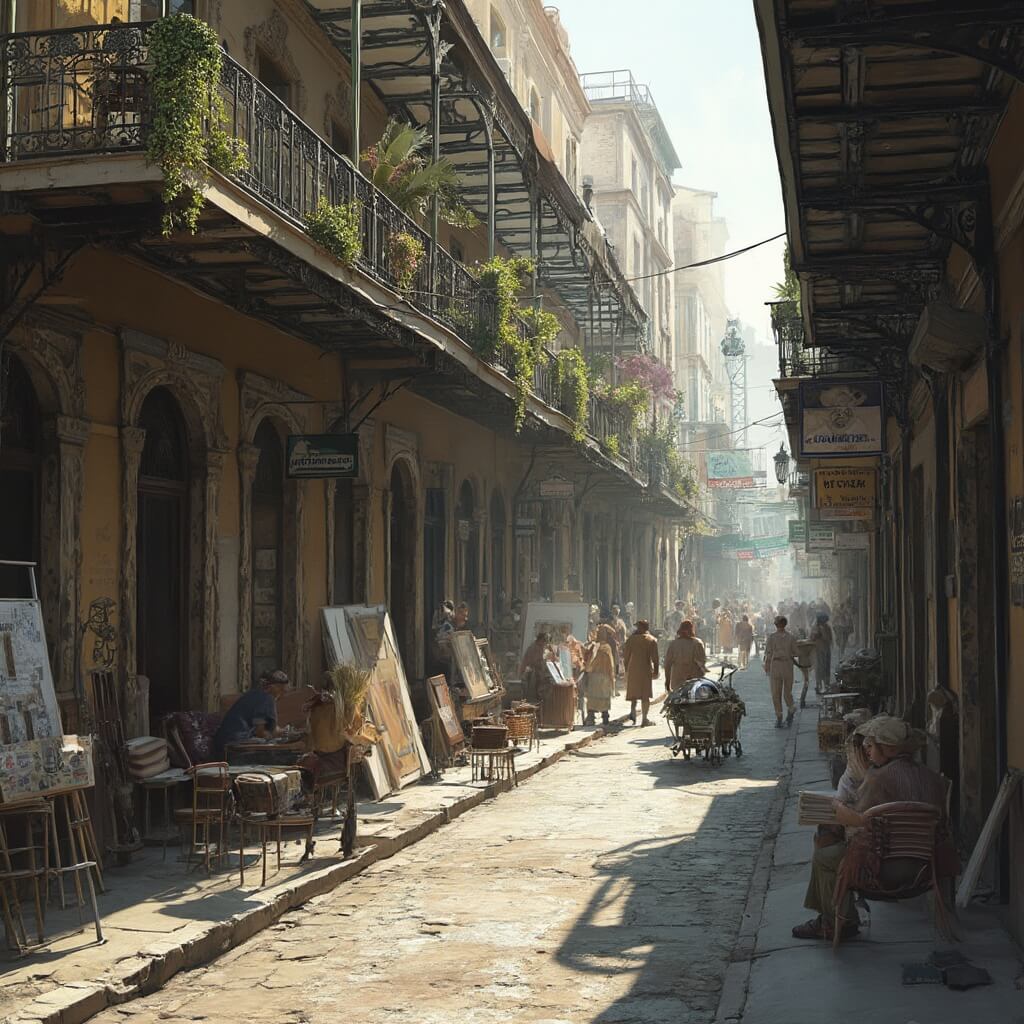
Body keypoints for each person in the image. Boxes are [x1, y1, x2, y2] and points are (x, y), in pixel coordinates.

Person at [792, 715, 949, 941]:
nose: (866, 749)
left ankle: (835, 922)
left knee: (825, 856)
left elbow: (858, 822)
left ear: (886, 748)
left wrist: (838, 807)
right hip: (925, 866)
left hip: (885, 869)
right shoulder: (933, 778)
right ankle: (832, 919)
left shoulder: (877, 778)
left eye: (871, 744)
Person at [215, 669, 290, 754]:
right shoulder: (267, 698)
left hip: (221, 741)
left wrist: (283, 731)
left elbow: (270, 727)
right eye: (281, 690)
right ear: (272, 687)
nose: (283, 694)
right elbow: (260, 731)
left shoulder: (254, 694)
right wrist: (274, 737)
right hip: (234, 743)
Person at [763, 616, 798, 728]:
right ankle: (791, 709)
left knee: (776, 693)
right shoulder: (791, 637)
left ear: (776, 625)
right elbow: (796, 653)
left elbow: (768, 654)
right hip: (787, 666)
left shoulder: (772, 637)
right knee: (787, 692)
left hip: (776, 666)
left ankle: (779, 717)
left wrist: (767, 667)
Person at [623, 619, 659, 726]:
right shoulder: (651, 640)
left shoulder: (631, 640)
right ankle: (644, 719)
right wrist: (656, 671)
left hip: (633, 668)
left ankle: (633, 712)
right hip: (645, 669)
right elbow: (655, 659)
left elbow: (626, 657)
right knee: (645, 694)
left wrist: (626, 670)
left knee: (634, 692)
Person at [582, 624, 616, 725]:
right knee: (604, 698)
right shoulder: (607, 647)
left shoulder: (594, 646)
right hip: (604, 677)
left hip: (594, 676)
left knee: (592, 698)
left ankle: (591, 717)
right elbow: (611, 665)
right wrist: (611, 677)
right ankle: (605, 717)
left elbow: (588, 661)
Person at [662, 620, 706, 692]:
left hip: (677, 681)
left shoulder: (674, 644)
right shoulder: (697, 643)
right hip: (693, 681)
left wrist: (667, 682)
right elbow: (702, 663)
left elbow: (667, 665)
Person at [809, 612, 834, 692]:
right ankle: (818, 685)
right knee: (819, 669)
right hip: (818, 650)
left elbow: (829, 638)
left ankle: (826, 685)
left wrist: (823, 633)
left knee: (826, 667)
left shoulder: (827, 627)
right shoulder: (815, 627)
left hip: (826, 650)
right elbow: (811, 638)